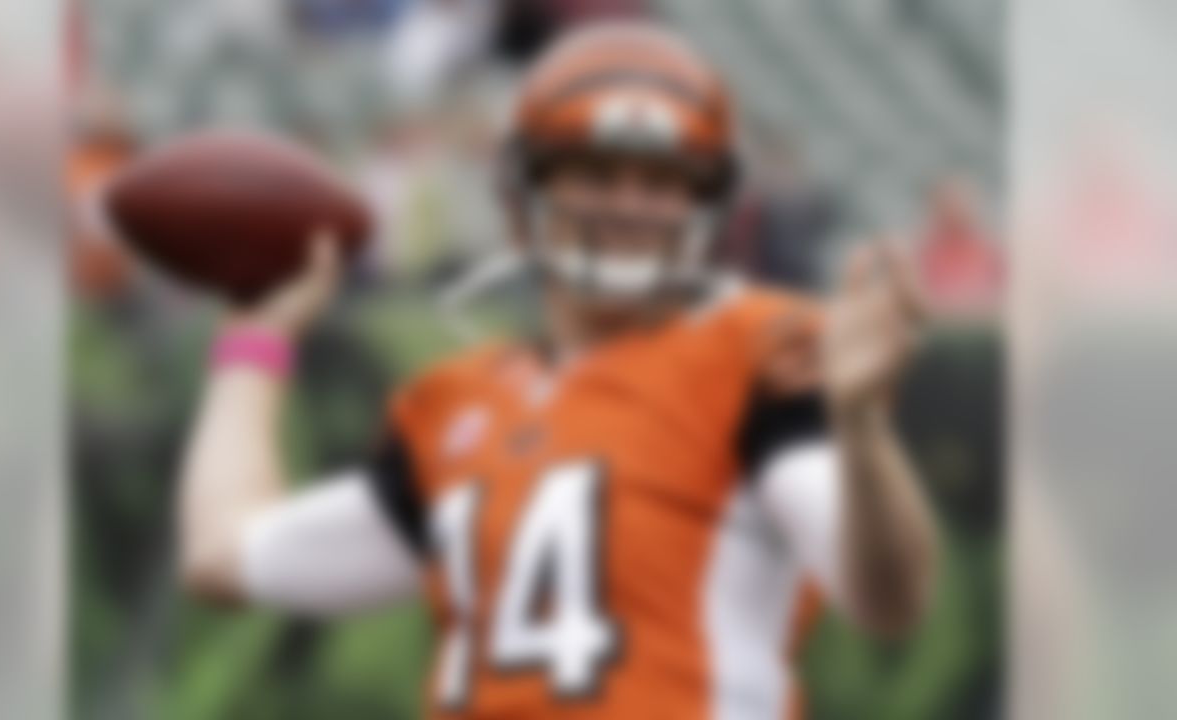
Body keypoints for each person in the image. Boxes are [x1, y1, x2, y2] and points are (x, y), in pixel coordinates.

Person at [178, 22, 938, 720]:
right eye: (597, 175)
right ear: (522, 200)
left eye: (662, 180)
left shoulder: (752, 351)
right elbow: (222, 554)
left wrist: (863, 433)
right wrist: (254, 341)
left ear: (707, 204)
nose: (631, 205)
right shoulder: (451, 405)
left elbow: (888, 599)